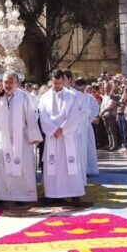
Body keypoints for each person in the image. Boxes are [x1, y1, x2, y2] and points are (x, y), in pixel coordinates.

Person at [0, 73, 41, 206]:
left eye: (11, 82)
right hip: (2, 138)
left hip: (20, 139)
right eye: (5, 82)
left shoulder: (24, 97)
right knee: (0, 167)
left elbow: (31, 117)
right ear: (1, 82)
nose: (8, 85)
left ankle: (23, 196)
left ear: (17, 83)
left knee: (22, 167)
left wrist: (33, 136)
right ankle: (0, 195)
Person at [38, 70, 86, 204]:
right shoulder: (44, 97)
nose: (57, 85)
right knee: (53, 165)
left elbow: (74, 115)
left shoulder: (72, 95)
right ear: (51, 80)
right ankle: (53, 193)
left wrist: (62, 129)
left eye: (59, 83)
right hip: (52, 136)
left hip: (67, 136)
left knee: (69, 164)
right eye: (55, 83)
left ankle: (74, 193)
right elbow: (42, 115)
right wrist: (53, 129)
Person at [74, 78, 100, 174]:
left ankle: (87, 169)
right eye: (78, 90)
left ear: (85, 88)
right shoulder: (72, 97)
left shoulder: (89, 98)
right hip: (75, 126)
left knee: (87, 147)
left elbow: (95, 109)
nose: (80, 92)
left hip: (85, 125)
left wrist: (89, 117)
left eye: (82, 90)